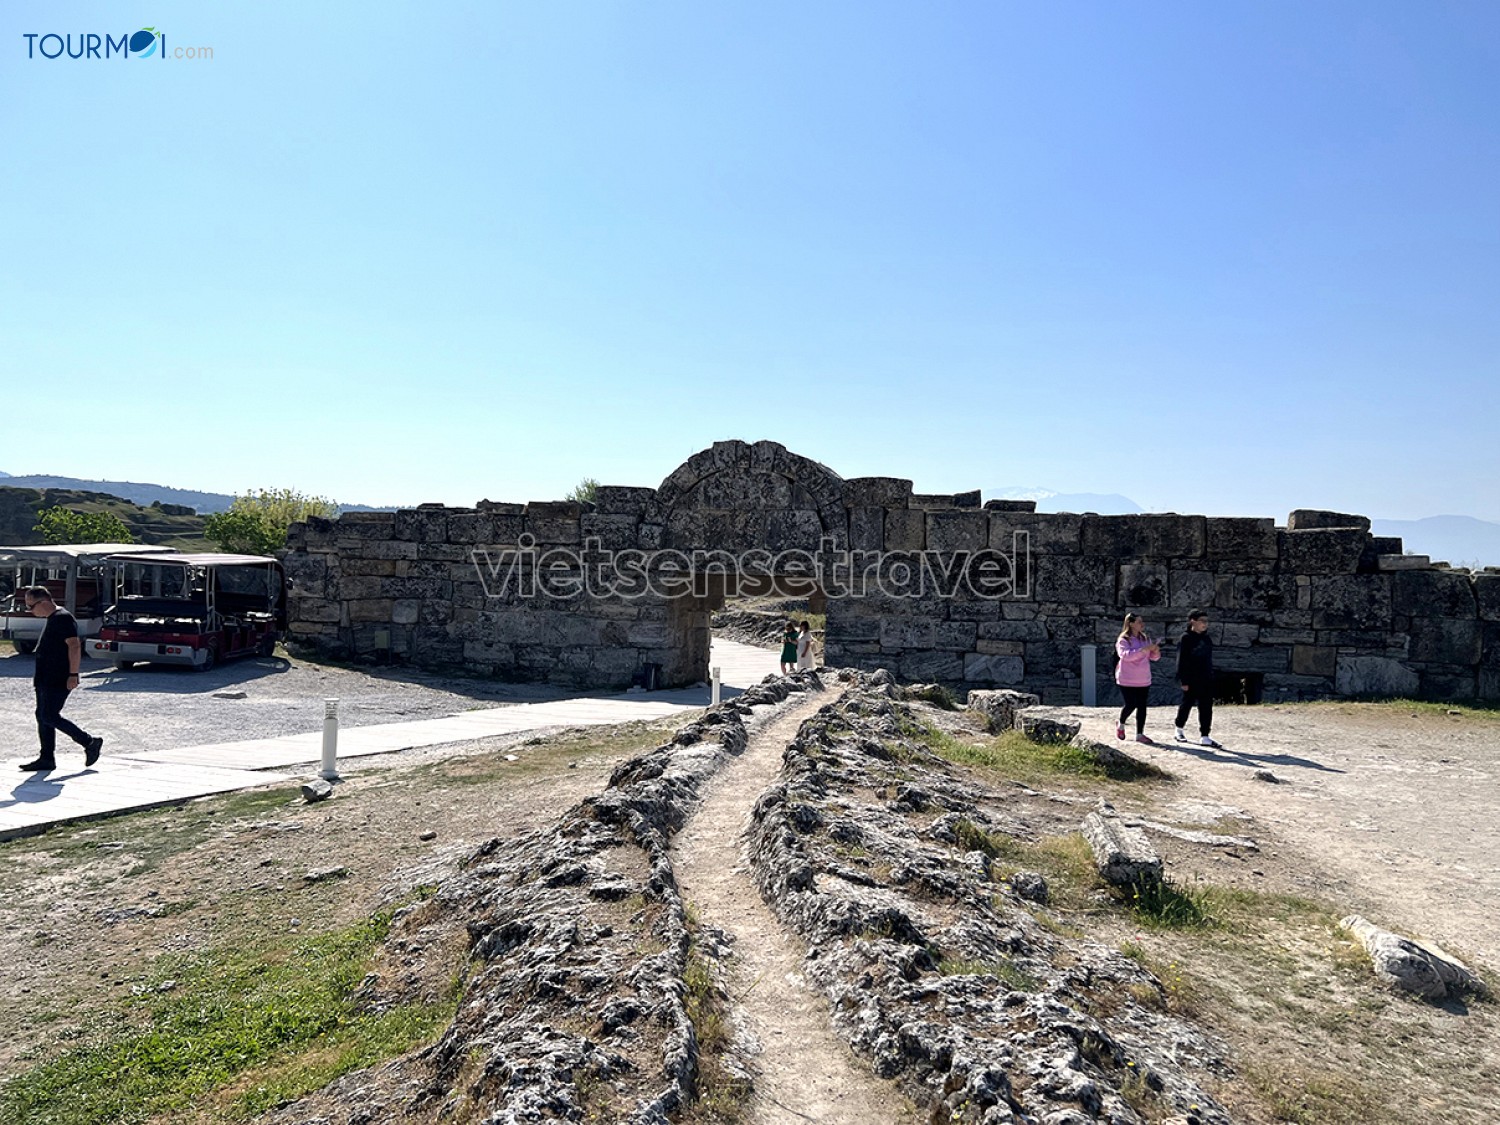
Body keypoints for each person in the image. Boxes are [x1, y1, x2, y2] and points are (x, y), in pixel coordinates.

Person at [19, 586, 103, 772]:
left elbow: (74, 646)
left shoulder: (63, 618)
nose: (30, 611)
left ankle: (89, 742)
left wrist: (73, 674)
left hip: (58, 678)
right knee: (42, 716)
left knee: (49, 716)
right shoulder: (52, 619)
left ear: (44, 602)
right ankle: (46, 758)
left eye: (31, 606)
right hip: (44, 678)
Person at [1174, 609, 1221, 748]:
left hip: (1205, 678)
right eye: (1202, 621)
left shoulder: (1207, 639)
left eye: (1206, 621)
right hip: (1191, 678)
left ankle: (1205, 735)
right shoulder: (1186, 638)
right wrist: (1184, 680)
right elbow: (1181, 660)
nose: (1205, 624)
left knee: (1206, 707)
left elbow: (1208, 659)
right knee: (1186, 704)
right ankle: (1179, 730)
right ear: (1192, 621)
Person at [1114, 613, 1160, 743]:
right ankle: (1121, 723)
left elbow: (1153, 658)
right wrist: (1144, 650)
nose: (1142, 624)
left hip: (1143, 678)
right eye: (1139, 622)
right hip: (1127, 678)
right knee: (1130, 704)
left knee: (1142, 706)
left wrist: (1155, 651)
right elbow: (1125, 656)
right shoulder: (1124, 640)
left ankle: (1140, 734)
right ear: (1131, 623)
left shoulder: (1145, 638)